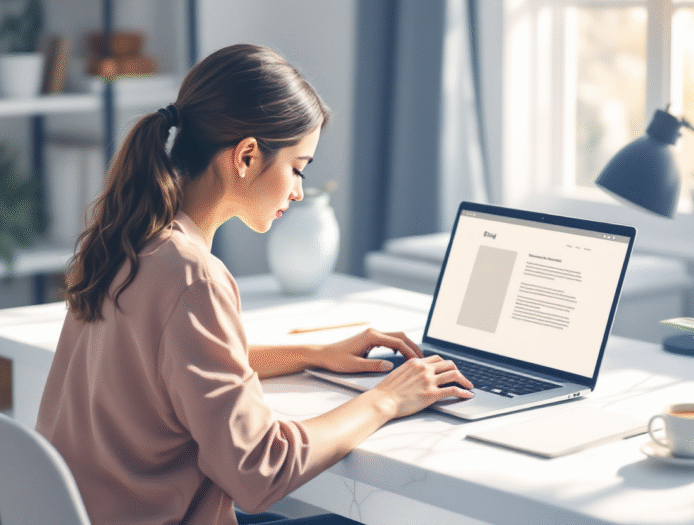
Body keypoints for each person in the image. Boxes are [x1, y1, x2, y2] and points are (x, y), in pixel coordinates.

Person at [35, 43, 473, 525]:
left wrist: (312, 354)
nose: (299, 190)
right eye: (298, 167)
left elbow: (171, 368)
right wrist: (388, 398)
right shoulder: (192, 274)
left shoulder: (129, 239)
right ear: (245, 156)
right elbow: (260, 470)